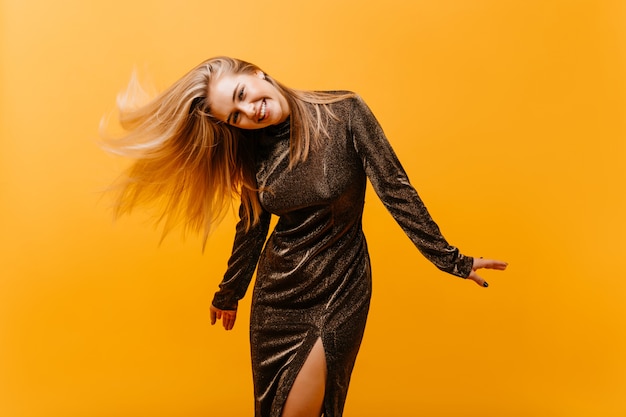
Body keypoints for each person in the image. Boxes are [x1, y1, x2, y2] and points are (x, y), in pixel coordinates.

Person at [101, 56, 507, 417]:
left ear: (258, 72)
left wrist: (451, 259)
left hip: (340, 287)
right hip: (277, 299)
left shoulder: (345, 112)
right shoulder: (252, 152)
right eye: (236, 115)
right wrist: (229, 292)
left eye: (244, 94)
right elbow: (251, 228)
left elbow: (394, 187)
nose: (249, 110)